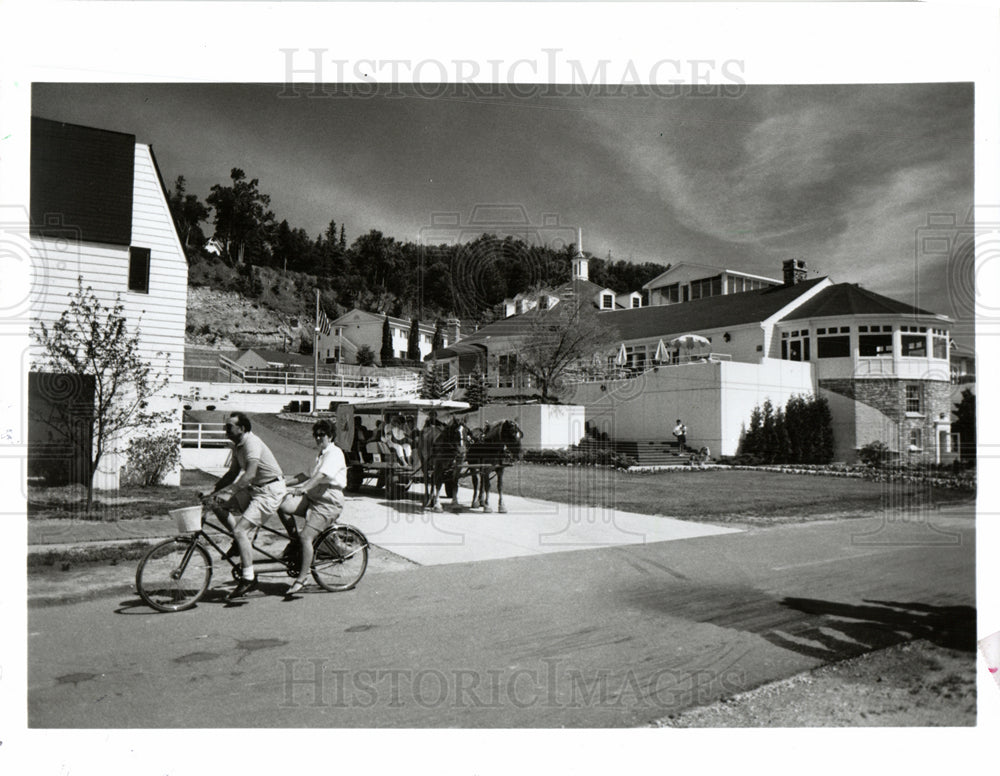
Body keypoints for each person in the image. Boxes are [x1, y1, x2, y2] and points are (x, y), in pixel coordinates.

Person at [199, 412, 287, 600]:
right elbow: (232, 473)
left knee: (241, 531)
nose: (226, 430)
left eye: (229, 427)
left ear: (242, 428)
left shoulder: (251, 443)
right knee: (216, 505)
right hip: (256, 489)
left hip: (270, 490)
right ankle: (238, 543)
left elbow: (250, 474)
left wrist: (229, 492)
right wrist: (213, 491)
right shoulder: (237, 446)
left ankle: (248, 578)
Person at [277, 418, 347, 596]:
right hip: (314, 495)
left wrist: (303, 489)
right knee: (281, 504)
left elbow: (320, 476)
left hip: (329, 499)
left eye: (322, 435)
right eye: (315, 435)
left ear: (330, 436)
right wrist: (283, 483)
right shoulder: (319, 454)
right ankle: (295, 543)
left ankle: (302, 577)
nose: (318, 438)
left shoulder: (335, 453)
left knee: (307, 537)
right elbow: (305, 475)